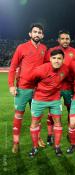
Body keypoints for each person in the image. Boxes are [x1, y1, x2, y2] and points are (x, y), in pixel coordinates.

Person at [8, 23, 47, 153]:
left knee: (37, 116)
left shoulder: (44, 48)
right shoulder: (21, 47)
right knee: (18, 116)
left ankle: (38, 138)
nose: (37, 34)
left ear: (42, 35)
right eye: (35, 32)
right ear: (30, 34)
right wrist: (11, 85)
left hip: (38, 90)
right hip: (22, 88)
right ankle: (15, 142)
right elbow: (13, 67)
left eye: (39, 32)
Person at [28, 49, 69, 157]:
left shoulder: (65, 69)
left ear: (63, 60)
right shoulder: (40, 70)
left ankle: (57, 147)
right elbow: (31, 80)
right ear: (50, 59)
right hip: (39, 100)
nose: (57, 61)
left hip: (55, 100)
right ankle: (35, 147)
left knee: (58, 122)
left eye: (59, 58)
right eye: (54, 58)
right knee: (34, 123)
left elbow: (66, 80)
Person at [45, 30, 75, 146]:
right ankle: (50, 135)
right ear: (58, 40)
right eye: (63, 38)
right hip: (55, 88)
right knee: (52, 112)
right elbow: (46, 67)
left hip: (69, 88)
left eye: (67, 39)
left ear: (70, 40)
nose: (65, 41)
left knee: (71, 112)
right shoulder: (51, 51)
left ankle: (70, 133)